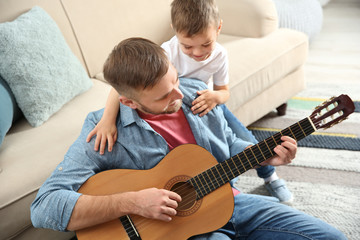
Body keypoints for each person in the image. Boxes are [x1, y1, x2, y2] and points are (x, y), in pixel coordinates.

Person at [31, 37, 347, 240]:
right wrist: (134, 202)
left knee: (330, 237)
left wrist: (262, 154)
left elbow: (226, 147)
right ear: (128, 102)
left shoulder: (197, 93)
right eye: (164, 96)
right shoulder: (103, 131)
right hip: (176, 231)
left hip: (232, 203)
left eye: (175, 80)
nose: (180, 95)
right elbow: (44, 207)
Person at [86, 0, 292, 202]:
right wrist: (107, 120)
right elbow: (119, 87)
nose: (198, 53)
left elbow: (224, 91)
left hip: (207, 103)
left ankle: (270, 177)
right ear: (174, 31)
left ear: (219, 27)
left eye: (206, 44)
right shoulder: (166, 53)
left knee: (246, 139)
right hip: (182, 107)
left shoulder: (220, 55)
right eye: (188, 46)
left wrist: (214, 97)